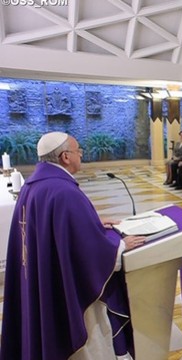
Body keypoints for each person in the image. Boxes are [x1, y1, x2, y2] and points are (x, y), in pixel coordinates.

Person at [1, 132, 145, 359]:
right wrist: (119, 245)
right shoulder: (64, 191)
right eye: (78, 151)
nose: (81, 155)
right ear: (65, 157)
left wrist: (93, 223)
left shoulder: (33, 185)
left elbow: (56, 231)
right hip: (66, 288)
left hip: (44, 275)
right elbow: (88, 252)